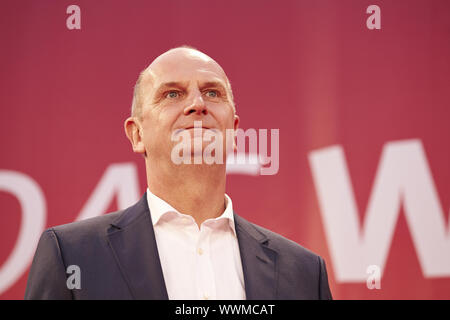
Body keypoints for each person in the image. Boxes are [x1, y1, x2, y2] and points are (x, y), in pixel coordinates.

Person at [24, 46, 332, 300]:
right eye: (172, 94)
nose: (197, 104)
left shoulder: (304, 273)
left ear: (234, 131)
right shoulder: (71, 256)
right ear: (137, 134)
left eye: (212, 93)